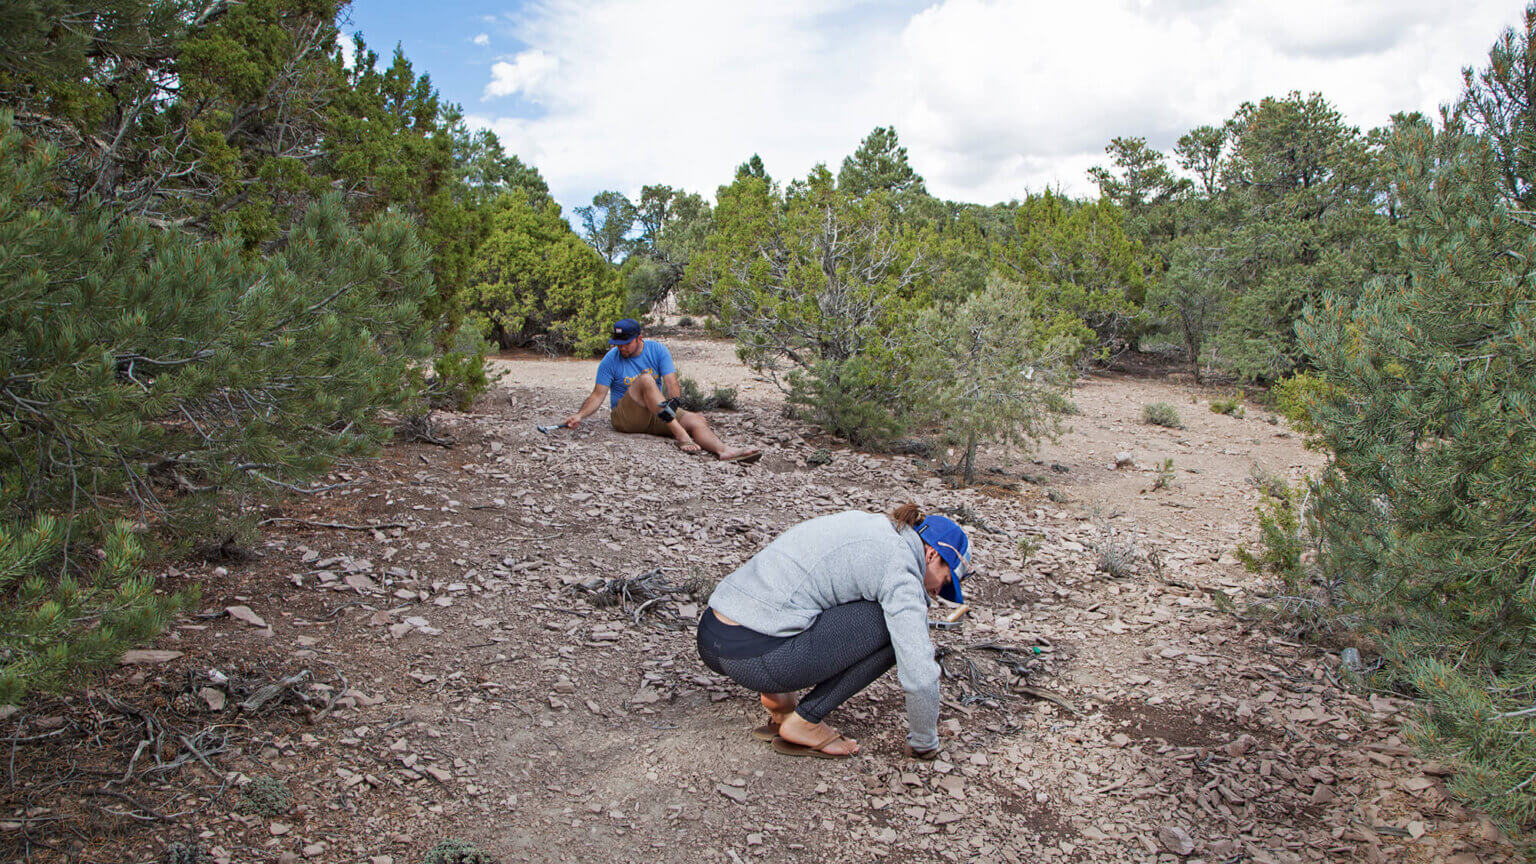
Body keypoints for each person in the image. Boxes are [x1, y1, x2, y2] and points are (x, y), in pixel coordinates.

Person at [696, 502, 971, 759]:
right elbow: (920, 672)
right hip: (753, 658)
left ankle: (780, 706)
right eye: (945, 581)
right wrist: (925, 744)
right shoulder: (901, 568)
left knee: (824, 594)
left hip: (713, 634)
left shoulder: (870, 524)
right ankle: (805, 722)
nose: (937, 593)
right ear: (932, 554)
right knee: (894, 628)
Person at [563, 319, 761, 463]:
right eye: (618, 344)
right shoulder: (610, 359)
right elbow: (598, 394)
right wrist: (580, 415)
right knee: (646, 379)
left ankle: (723, 451)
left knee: (696, 420)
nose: (620, 348)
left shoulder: (657, 350)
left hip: (655, 411)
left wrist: (674, 403)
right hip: (626, 417)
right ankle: (681, 436)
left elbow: (672, 383)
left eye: (625, 344)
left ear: (639, 338)